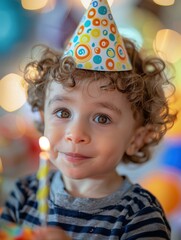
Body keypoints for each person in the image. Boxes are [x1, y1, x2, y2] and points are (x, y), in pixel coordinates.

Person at [0, 0, 177, 239]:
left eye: (102, 118)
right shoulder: (24, 195)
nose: (76, 133)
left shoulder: (139, 216)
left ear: (137, 138)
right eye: (63, 113)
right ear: (43, 118)